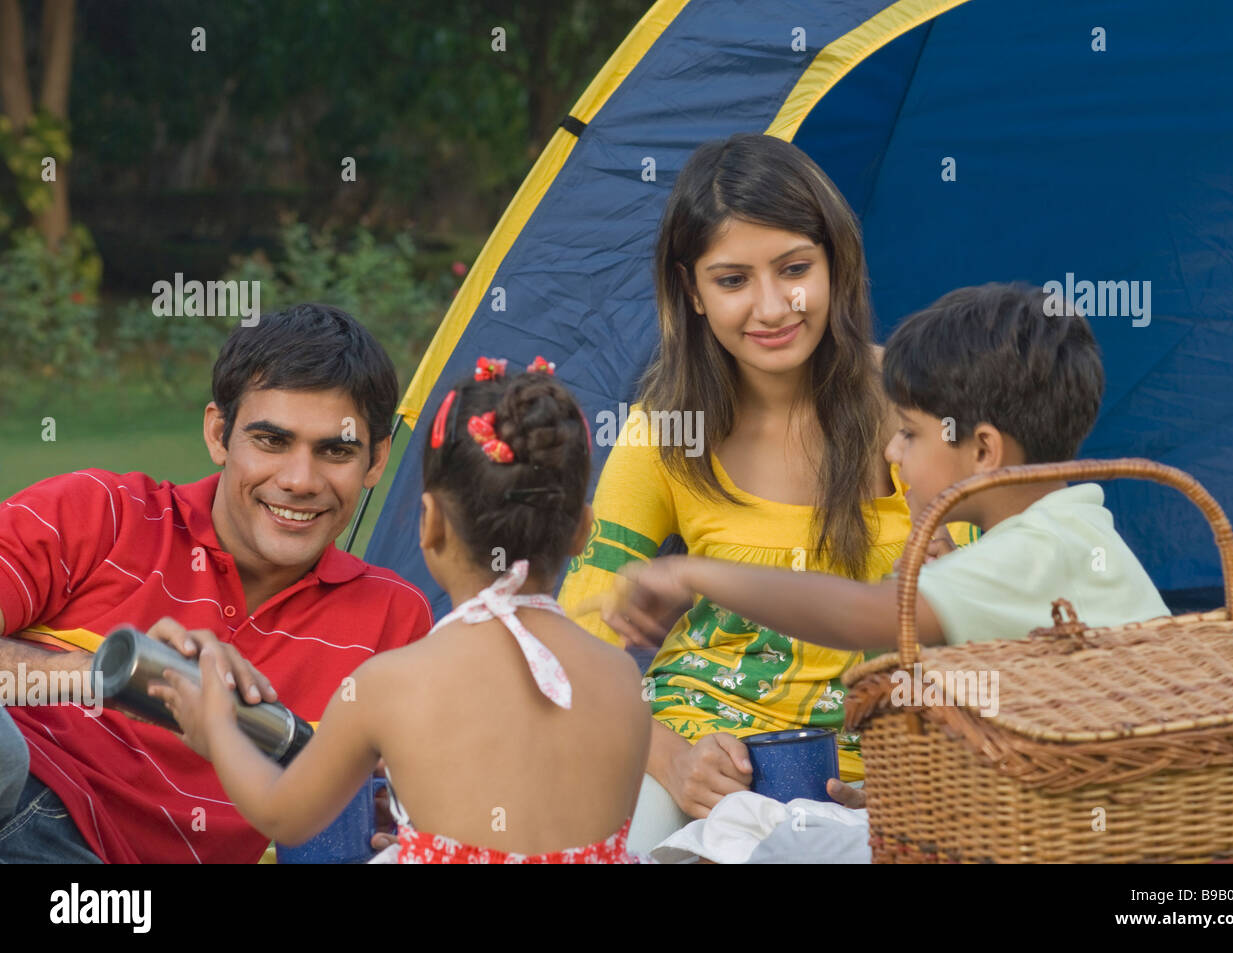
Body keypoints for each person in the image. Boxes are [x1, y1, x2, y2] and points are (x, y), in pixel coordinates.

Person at [556, 133, 933, 851]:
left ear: (836, 264)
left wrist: (915, 771)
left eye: (794, 269)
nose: (770, 307)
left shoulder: (915, 408)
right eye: (732, 280)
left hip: (879, 772)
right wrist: (671, 758)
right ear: (691, 291)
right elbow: (577, 647)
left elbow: (990, 632)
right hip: (696, 756)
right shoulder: (665, 430)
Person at [150, 358, 650, 864]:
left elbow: (284, 815)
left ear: (430, 524)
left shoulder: (389, 684)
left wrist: (217, 727)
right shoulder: (620, 675)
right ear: (583, 530)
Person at [0, 304, 434, 863]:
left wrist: (401, 832)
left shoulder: (395, 618)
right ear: (218, 434)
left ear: (376, 462)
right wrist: (115, 675)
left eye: (335, 451)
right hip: (22, 811)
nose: (300, 481)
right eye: (272, 442)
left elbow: (401, 804)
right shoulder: (100, 512)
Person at [605, 283, 1173, 690]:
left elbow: (860, 617)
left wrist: (696, 573)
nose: (891, 451)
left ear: (982, 451)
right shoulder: (1068, 525)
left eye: (908, 433)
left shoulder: (1034, 550)